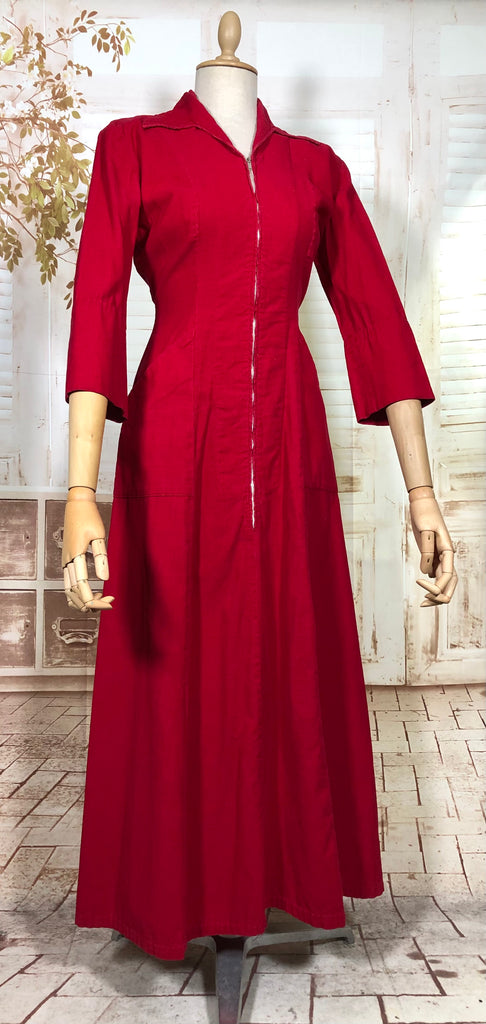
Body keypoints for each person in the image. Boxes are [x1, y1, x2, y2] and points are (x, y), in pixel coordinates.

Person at [62, 12, 457, 962]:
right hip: (172, 437)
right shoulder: (134, 148)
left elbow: (374, 315)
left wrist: (423, 495)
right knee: (174, 664)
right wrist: (80, 490)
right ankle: (176, 890)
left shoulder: (314, 171)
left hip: (287, 439)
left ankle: (272, 880)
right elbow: (100, 305)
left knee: (283, 654)